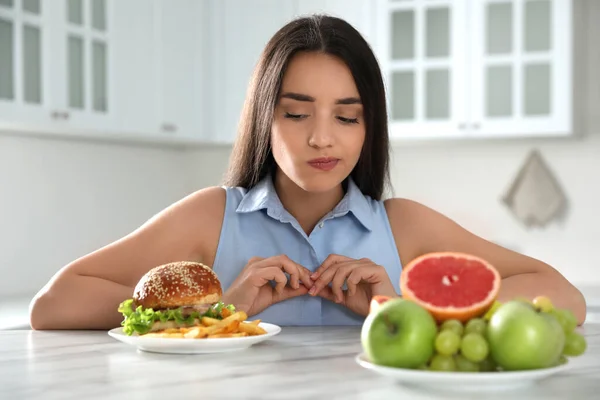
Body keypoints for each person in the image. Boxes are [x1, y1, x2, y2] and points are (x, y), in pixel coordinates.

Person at [29, 15, 586, 330]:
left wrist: (404, 308)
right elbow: (53, 304)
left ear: (370, 128)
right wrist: (217, 308)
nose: (323, 137)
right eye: (296, 114)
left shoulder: (406, 226)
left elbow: (563, 295)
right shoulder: (211, 215)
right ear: (264, 120)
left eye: (347, 116)